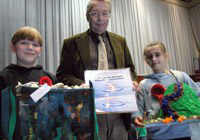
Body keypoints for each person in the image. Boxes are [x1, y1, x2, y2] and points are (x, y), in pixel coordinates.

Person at [56, 0, 137, 139]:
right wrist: (81, 85)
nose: (100, 19)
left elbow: (130, 70)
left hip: (118, 114)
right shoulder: (71, 43)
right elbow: (63, 74)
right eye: (95, 13)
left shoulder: (120, 41)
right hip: (87, 112)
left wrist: (133, 82)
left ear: (109, 16)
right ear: (87, 16)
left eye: (105, 13)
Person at [132, 41, 200, 139]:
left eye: (157, 55)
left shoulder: (181, 77)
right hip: (157, 135)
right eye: (150, 57)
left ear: (166, 55)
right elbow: (138, 107)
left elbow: (197, 96)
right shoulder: (143, 84)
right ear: (146, 61)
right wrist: (136, 117)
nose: (154, 59)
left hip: (183, 133)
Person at [0, 26, 58, 139]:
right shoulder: (3, 77)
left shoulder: (50, 78)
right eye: (24, 43)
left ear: (40, 51)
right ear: (13, 47)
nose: (30, 47)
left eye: (35, 44)